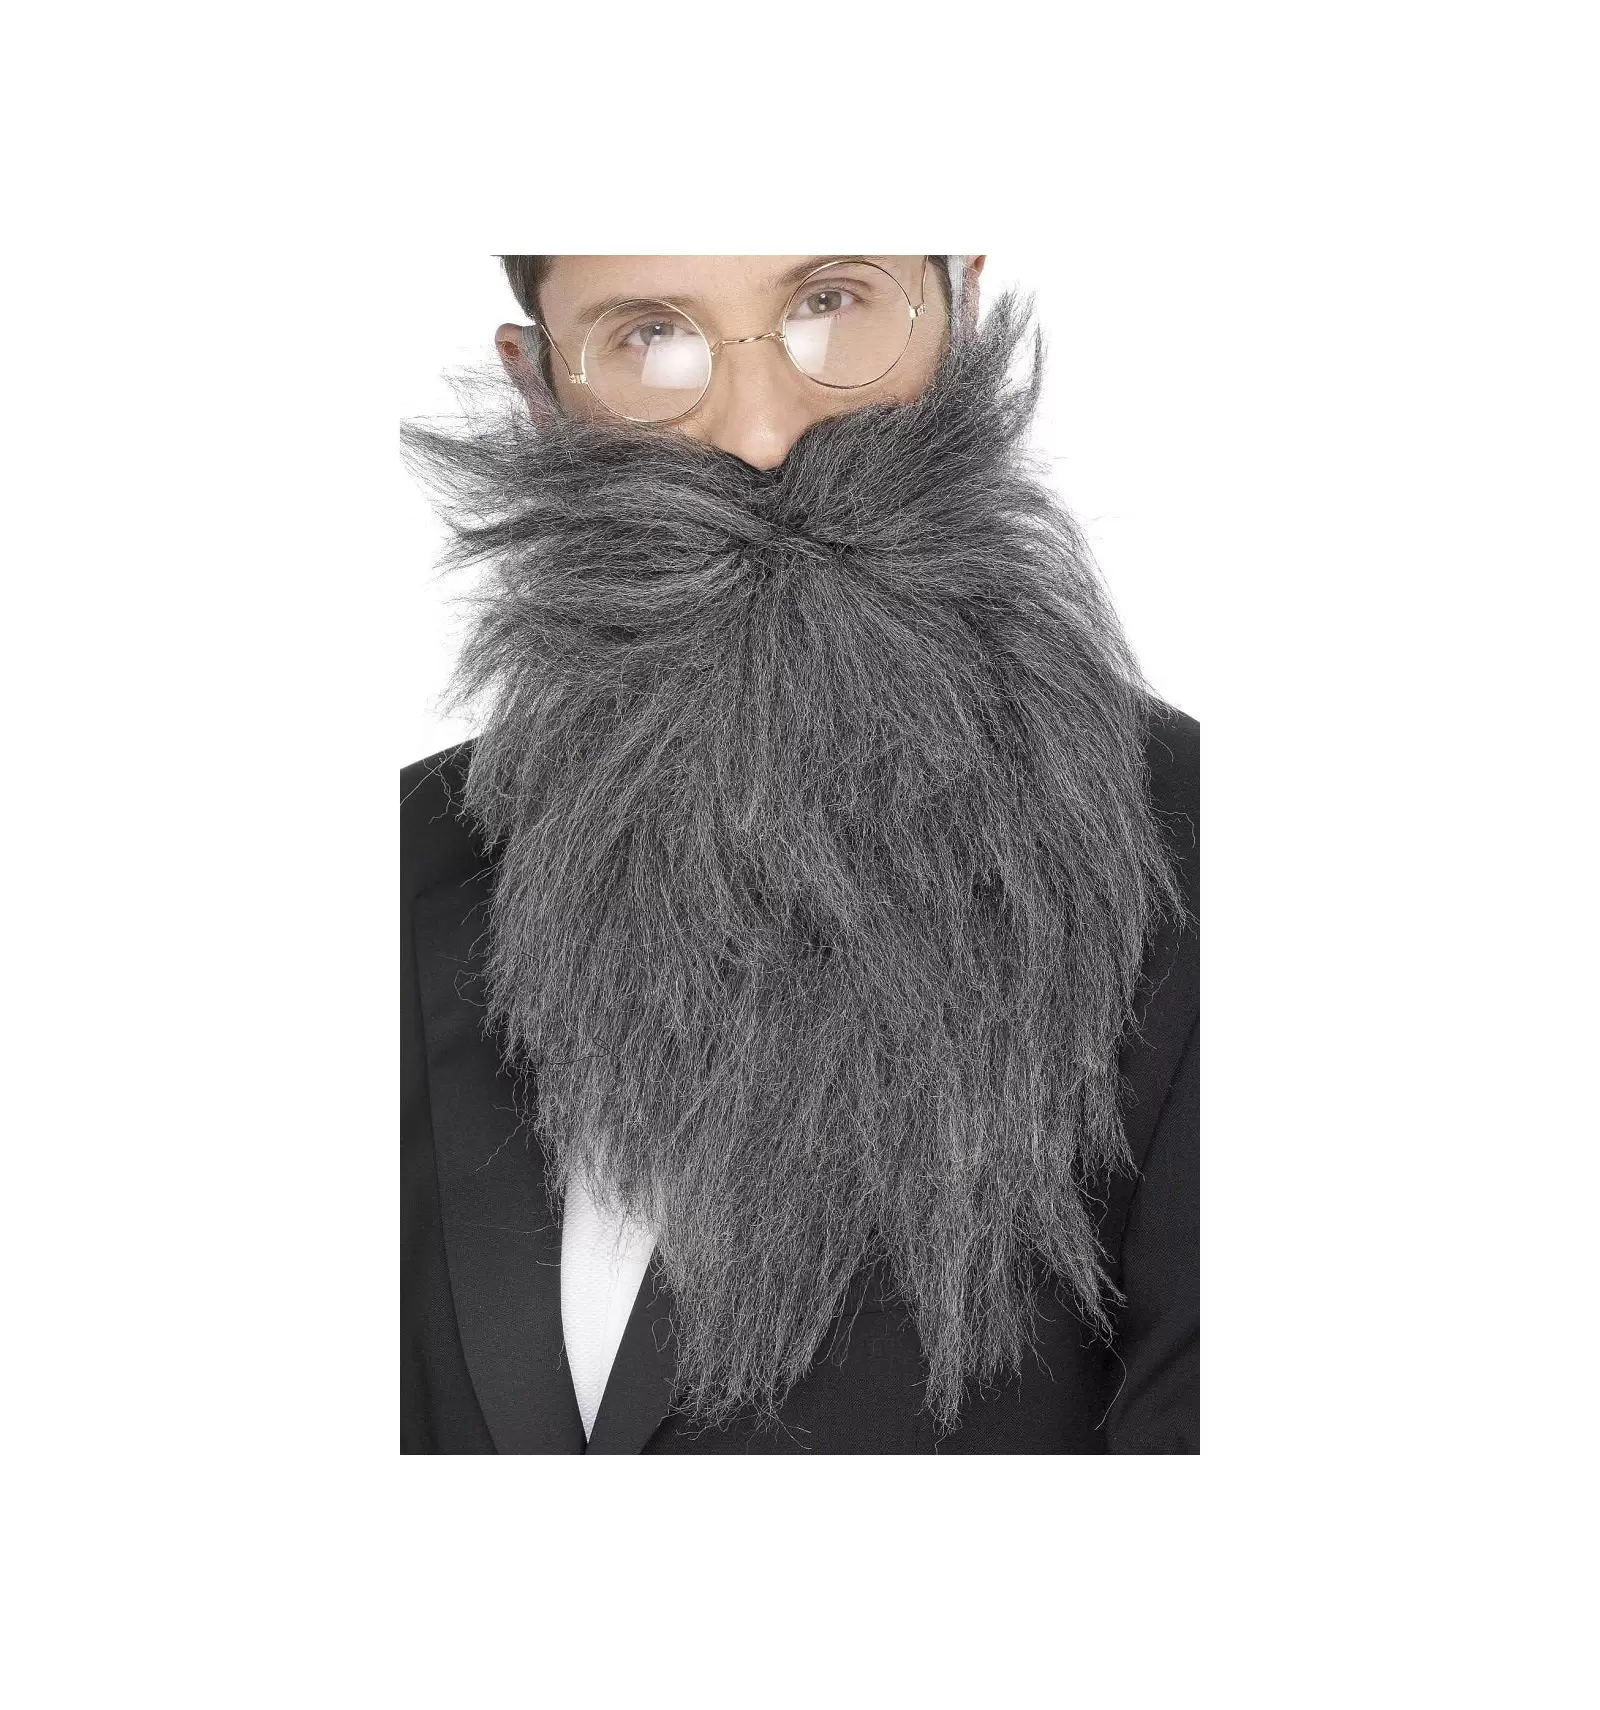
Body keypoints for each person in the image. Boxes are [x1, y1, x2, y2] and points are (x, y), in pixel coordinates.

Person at [401, 255, 1199, 1454]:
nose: (763, 434)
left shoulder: (1201, 849)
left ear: (959, 312)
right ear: (538, 391)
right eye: (649, 337)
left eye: (829, 303)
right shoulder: (399, 862)